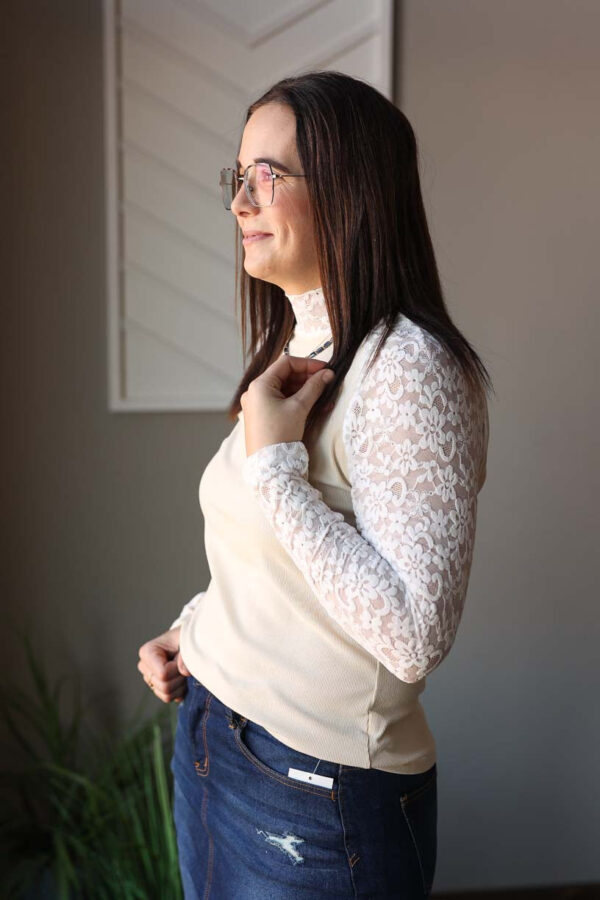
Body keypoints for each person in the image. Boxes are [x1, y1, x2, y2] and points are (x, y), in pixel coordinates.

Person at [137, 70, 492, 899]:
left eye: (269, 177)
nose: (240, 204)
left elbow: (413, 635)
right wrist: (195, 630)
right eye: (238, 178)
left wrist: (273, 467)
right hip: (211, 737)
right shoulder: (304, 340)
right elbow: (279, 559)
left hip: (313, 797)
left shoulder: (409, 368)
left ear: (350, 190)